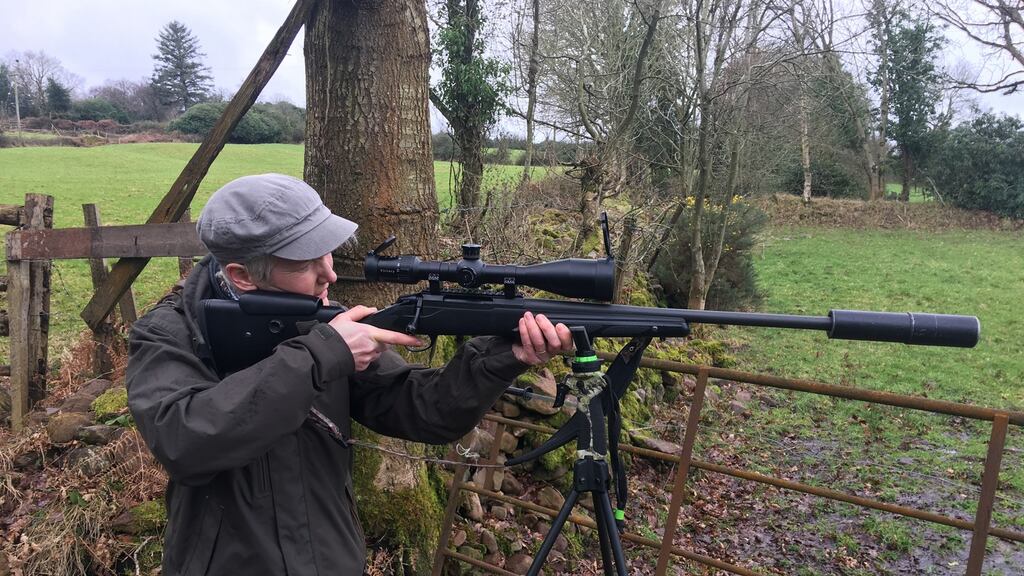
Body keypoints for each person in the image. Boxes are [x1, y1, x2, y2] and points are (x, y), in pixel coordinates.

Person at [126, 173, 572, 576]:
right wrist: (321, 356)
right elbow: (185, 439)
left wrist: (500, 355)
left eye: (326, 251)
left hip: (331, 559)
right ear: (241, 275)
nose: (330, 274)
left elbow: (423, 411)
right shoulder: (169, 333)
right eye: (305, 263)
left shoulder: (322, 324)